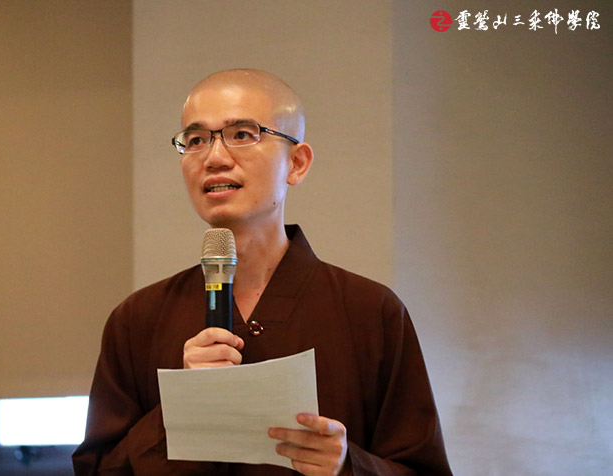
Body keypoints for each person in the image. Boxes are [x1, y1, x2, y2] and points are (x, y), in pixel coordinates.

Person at [72, 69, 452, 476]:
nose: (215, 158)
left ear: (297, 163)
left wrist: (347, 466)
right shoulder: (138, 319)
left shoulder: (369, 311)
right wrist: (182, 409)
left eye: (242, 134)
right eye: (196, 140)